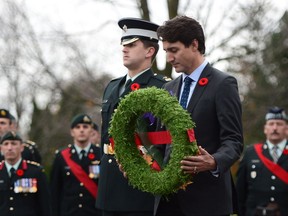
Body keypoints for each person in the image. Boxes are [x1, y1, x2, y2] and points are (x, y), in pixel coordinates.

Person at [154, 15, 243, 216]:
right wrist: (144, 159)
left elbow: (234, 141)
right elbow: (161, 142)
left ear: (194, 44)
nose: (169, 58)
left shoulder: (223, 84)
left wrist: (214, 161)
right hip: (168, 201)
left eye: (173, 50)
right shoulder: (169, 88)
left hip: (206, 202)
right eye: (166, 51)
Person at [95, 18, 169, 216]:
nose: (124, 49)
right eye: (123, 45)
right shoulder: (112, 86)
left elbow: (164, 140)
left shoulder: (162, 87)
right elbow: (105, 136)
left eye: (131, 44)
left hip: (139, 186)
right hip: (110, 184)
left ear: (149, 51)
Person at [236, 107, 288, 216]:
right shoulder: (251, 153)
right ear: (265, 129)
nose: (274, 128)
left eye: (279, 124)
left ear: (286, 129)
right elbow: (240, 192)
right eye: (271, 123)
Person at [50, 114, 101, 216]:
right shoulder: (61, 157)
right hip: (68, 212)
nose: (81, 130)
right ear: (72, 132)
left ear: (91, 131)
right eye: (78, 127)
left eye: (85, 127)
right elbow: (54, 191)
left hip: (94, 212)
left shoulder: (100, 155)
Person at [0, 131, 51, 216]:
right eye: (6, 144)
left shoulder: (35, 172)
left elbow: (45, 205)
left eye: (14, 144)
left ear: (22, 147)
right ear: (1, 149)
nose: (9, 148)